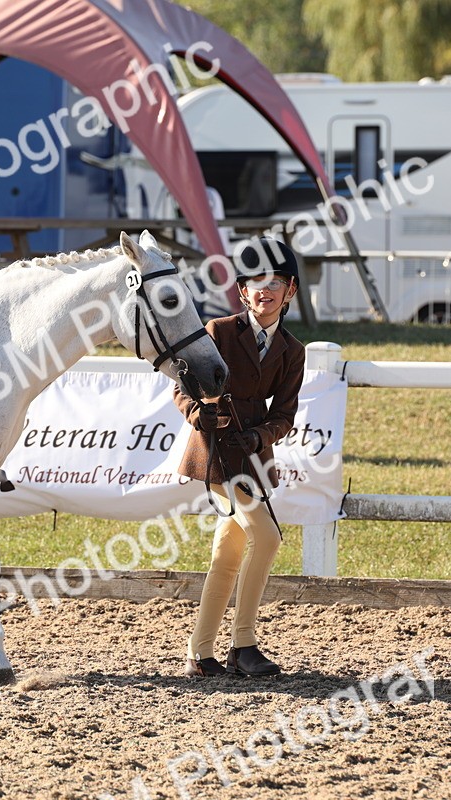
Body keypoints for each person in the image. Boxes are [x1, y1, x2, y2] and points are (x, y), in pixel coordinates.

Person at [173, 237, 305, 679]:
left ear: (290, 291)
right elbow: (181, 386)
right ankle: (243, 644)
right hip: (215, 451)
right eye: (254, 282)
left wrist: (260, 436)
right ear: (243, 291)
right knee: (267, 539)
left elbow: (285, 414)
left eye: (275, 282)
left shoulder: (292, 349)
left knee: (229, 552)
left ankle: (200, 653)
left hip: (251, 453)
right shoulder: (219, 332)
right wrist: (198, 413)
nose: (264, 290)